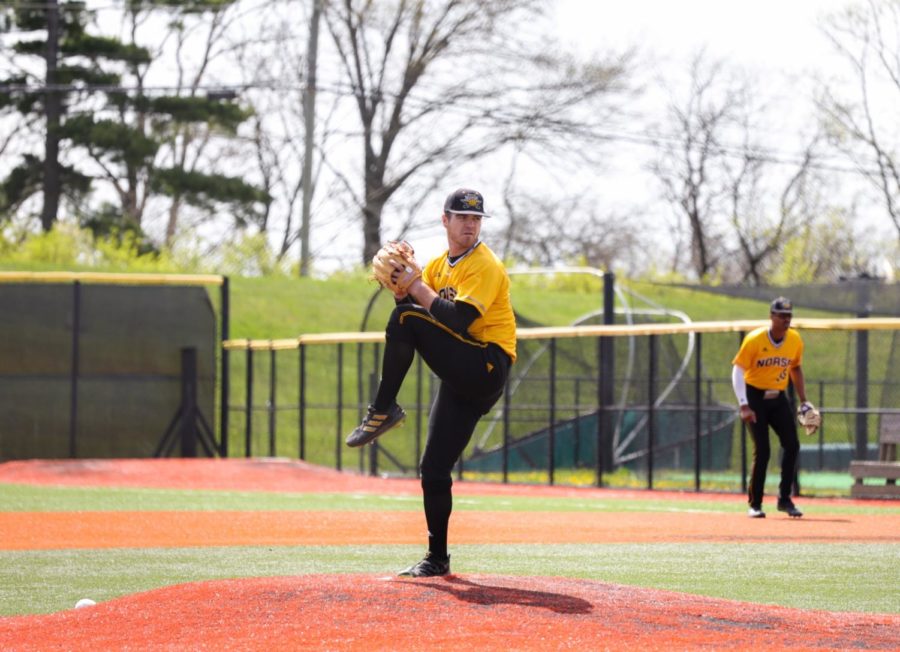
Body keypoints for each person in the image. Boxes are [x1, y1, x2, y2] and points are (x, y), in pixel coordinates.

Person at [345, 188, 517, 577]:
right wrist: (403, 288)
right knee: (434, 468)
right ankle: (437, 558)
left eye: (475, 218)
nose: (470, 224)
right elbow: (414, 314)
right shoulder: (440, 266)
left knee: (405, 320)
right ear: (445, 220)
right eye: (461, 217)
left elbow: (456, 320)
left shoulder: (485, 265)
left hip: (487, 364)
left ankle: (382, 410)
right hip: (462, 373)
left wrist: (416, 286)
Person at [731, 297, 808, 518]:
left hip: (778, 398)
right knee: (763, 450)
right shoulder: (755, 339)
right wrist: (744, 405)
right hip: (754, 396)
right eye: (781, 315)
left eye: (789, 316)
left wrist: (804, 400)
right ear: (771, 316)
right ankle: (755, 504)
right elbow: (738, 370)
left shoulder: (794, 339)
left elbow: (796, 368)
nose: (786, 319)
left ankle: (784, 499)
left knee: (792, 445)